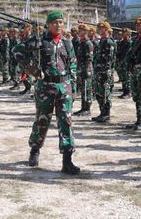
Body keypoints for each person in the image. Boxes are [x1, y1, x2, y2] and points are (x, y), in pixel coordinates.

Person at [28, 11, 79, 175]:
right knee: (42, 120)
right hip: (45, 86)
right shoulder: (40, 41)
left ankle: (67, 160)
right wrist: (32, 70)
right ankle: (35, 149)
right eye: (55, 22)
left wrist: (73, 86)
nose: (58, 25)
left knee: (66, 122)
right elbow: (18, 51)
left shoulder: (67, 43)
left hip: (64, 86)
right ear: (48, 24)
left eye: (61, 22)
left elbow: (72, 64)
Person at [92, 21, 116, 123]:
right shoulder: (101, 41)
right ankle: (102, 112)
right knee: (99, 93)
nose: (100, 29)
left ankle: (106, 114)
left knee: (105, 93)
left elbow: (109, 59)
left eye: (102, 28)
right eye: (99, 28)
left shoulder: (109, 41)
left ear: (107, 29)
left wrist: (106, 72)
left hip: (105, 72)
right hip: (99, 71)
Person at [73, 24, 94, 117]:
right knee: (83, 89)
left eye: (81, 30)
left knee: (86, 89)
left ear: (85, 31)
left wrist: (86, 71)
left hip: (86, 69)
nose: (79, 32)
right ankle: (83, 107)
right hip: (81, 69)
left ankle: (87, 109)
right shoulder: (81, 42)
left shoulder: (88, 43)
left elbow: (89, 59)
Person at [116, 28, 131, 99]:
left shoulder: (130, 43)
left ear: (128, 34)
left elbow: (129, 54)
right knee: (123, 78)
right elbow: (118, 52)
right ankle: (125, 91)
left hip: (127, 63)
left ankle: (128, 92)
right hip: (121, 63)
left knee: (127, 78)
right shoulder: (122, 42)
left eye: (124, 32)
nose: (122, 34)